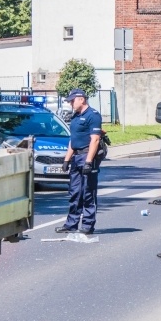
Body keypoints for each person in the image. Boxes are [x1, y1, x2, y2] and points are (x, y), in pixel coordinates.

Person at [56, 89, 103, 234]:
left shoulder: (93, 115)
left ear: (81, 99)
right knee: (74, 192)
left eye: (72, 100)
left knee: (88, 192)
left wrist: (88, 161)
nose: (71, 103)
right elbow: (73, 139)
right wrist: (66, 160)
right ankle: (71, 224)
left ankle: (88, 225)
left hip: (87, 155)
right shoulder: (75, 116)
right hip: (76, 157)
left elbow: (95, 140)